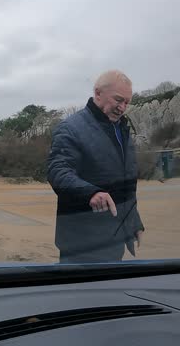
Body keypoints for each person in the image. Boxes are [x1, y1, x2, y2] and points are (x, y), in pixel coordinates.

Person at [48, 70, 144, 263]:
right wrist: (90, 193)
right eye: (118, 100)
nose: (123, 107)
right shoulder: (71, 128)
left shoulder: (122, 129)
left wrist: (133, 222)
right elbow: (58, 170)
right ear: (98, 93)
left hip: (114, 240)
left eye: (127, 102)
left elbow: (125, 185)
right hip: (80, 244)